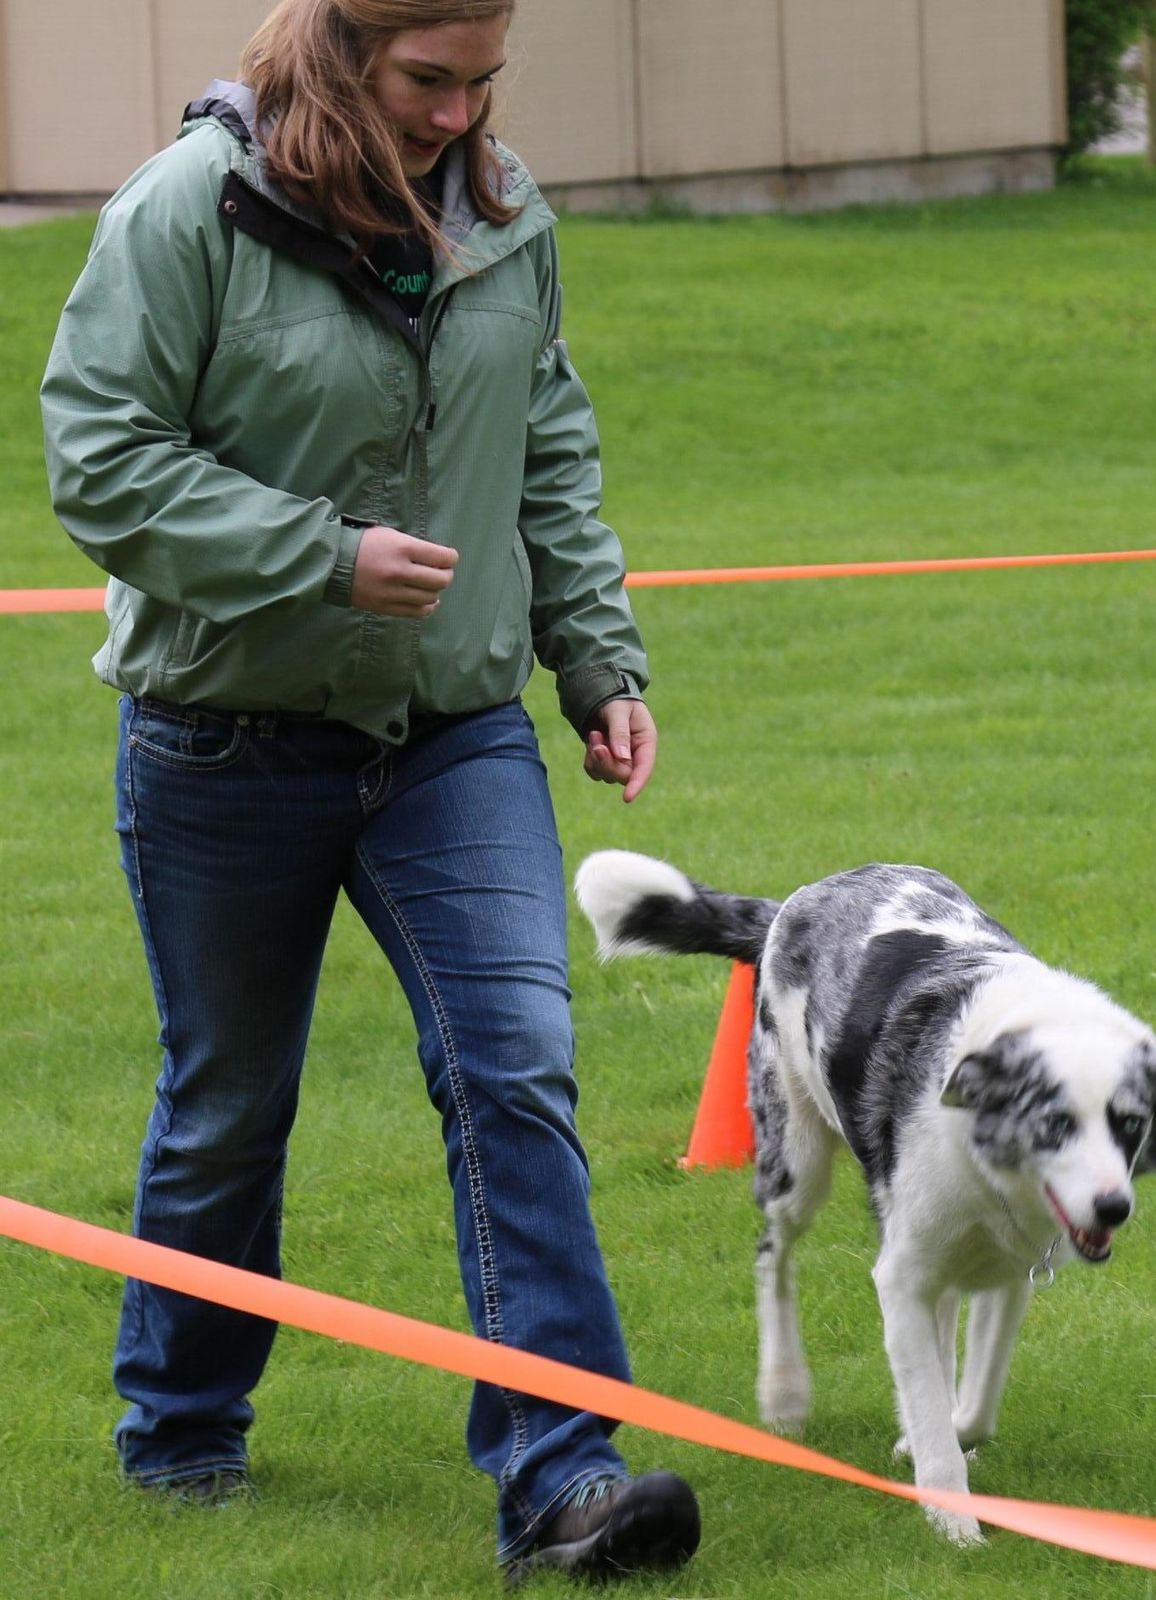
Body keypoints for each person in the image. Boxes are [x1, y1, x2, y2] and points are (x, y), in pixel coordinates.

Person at [39, 0, 700, 1584]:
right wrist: (319, 557)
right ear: (337, 49)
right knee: (226, 1106)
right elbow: (100, 459)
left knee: (515, 1071)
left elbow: (546, 440)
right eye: (426, 81)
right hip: (222, 742)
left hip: (452, 736)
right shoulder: (184, 213)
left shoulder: (505, 213)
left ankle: (564, 1477)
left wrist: (596, 659)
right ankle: (181, 1425)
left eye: (483, 81)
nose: (460, 117)